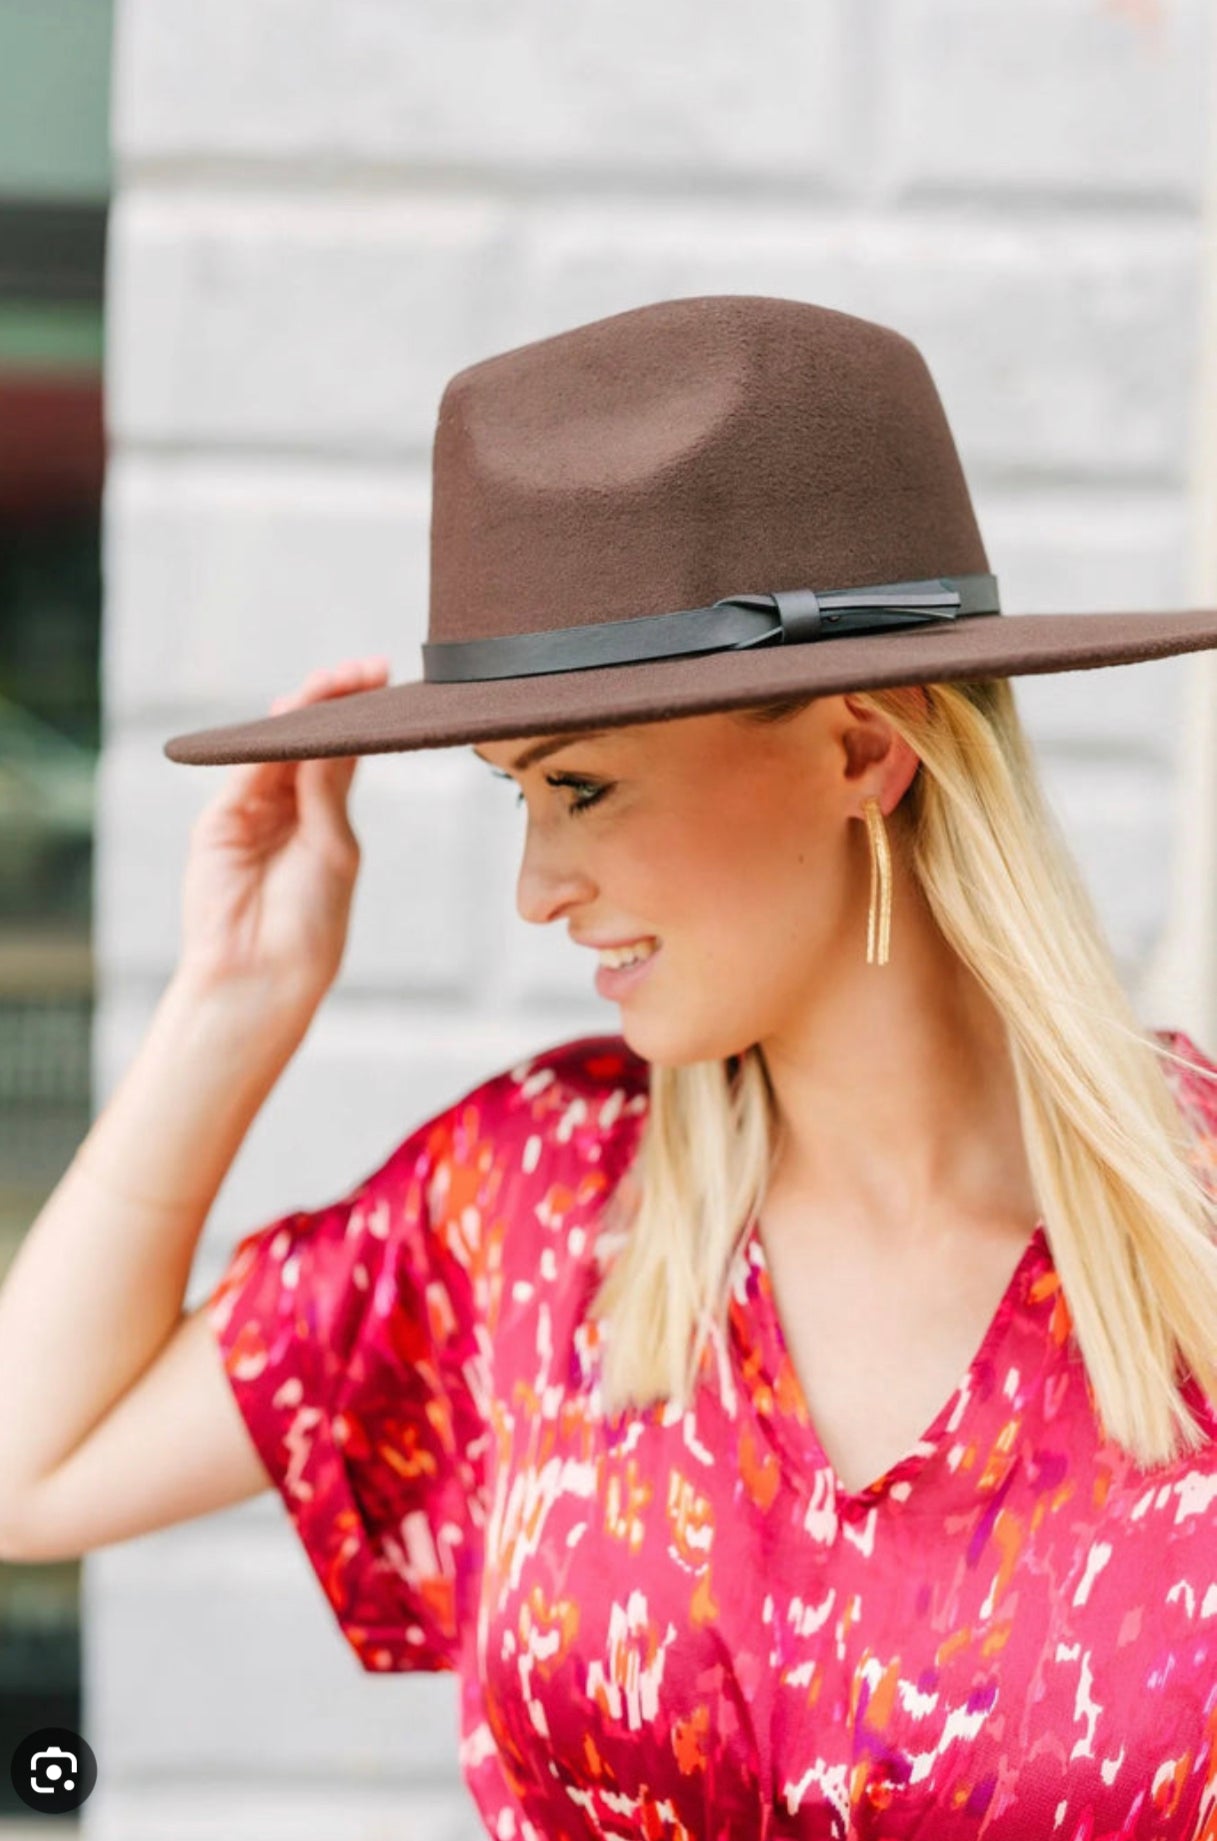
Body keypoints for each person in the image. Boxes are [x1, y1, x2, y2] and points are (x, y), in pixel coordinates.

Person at [3, 295, 1217, 1835]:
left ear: (861, 746)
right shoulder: (534, 1202)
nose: (536, 886)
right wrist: (231, 1003)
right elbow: (30, 1463)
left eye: (581, 785)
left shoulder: (1196, 1233)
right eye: (519, 794)